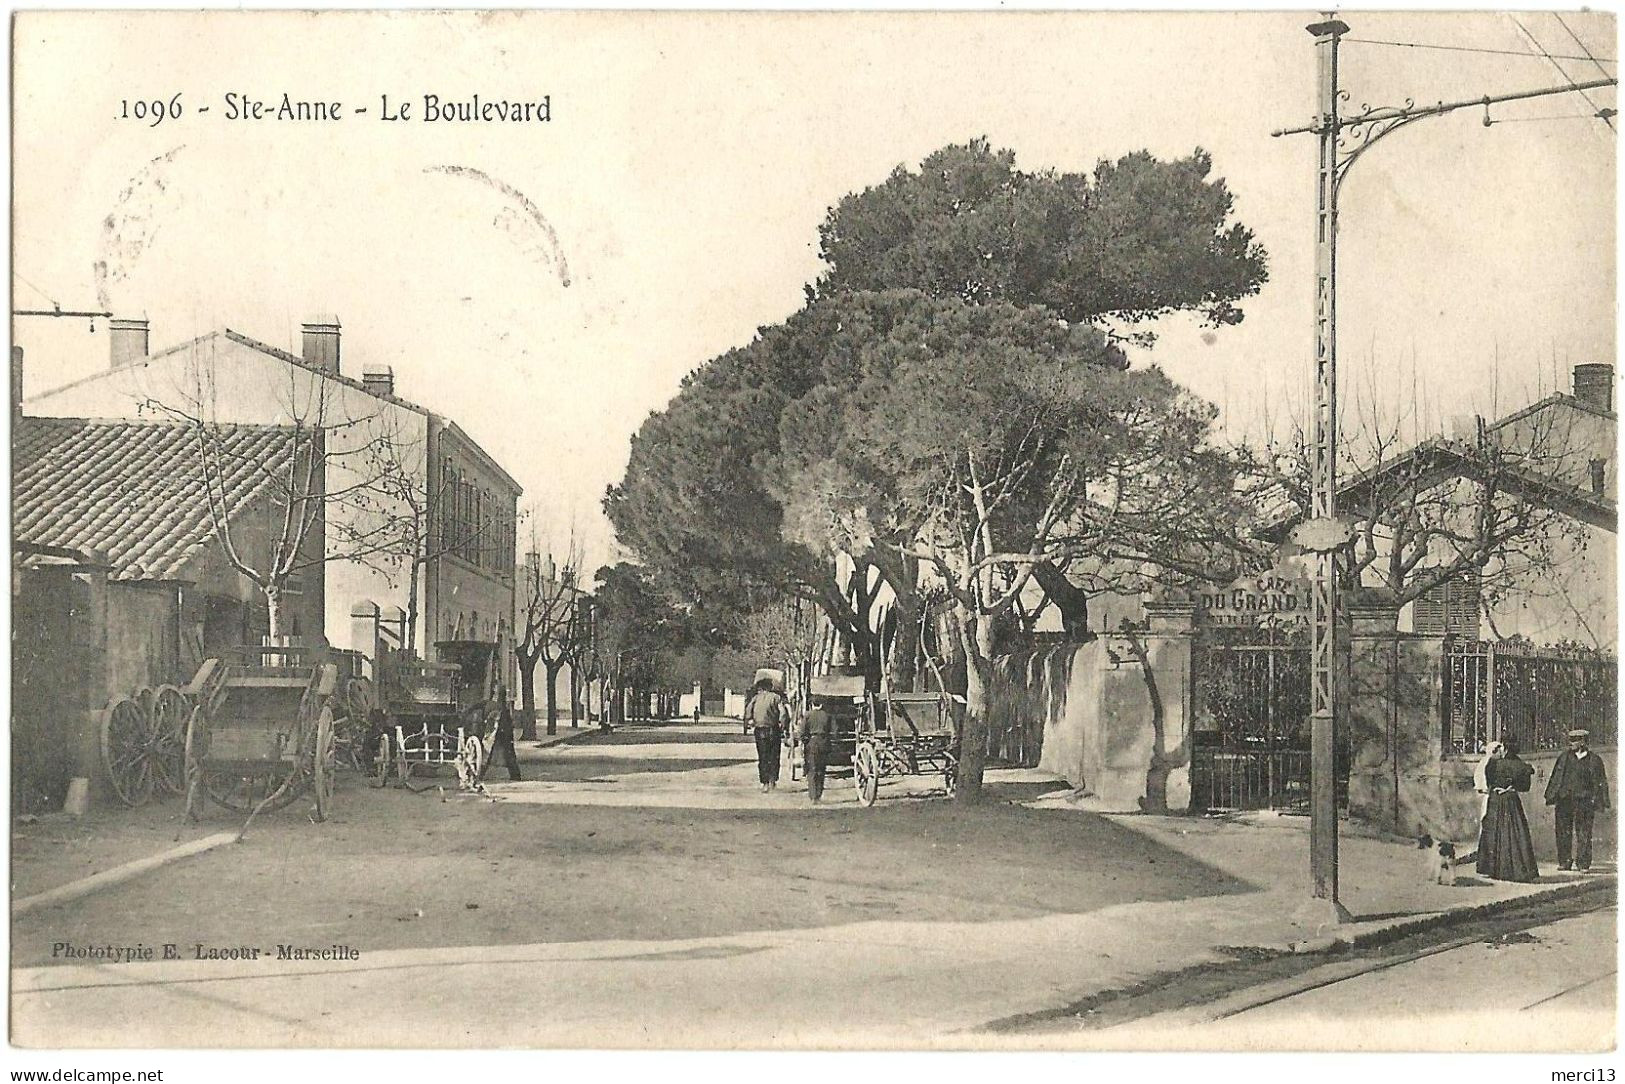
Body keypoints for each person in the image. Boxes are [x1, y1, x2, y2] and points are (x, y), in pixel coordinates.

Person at [1545, 728, 1610, 872]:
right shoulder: (1564, 757)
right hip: (1564, 800)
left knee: (1584, 832)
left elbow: (1600, 781)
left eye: (1574, 741)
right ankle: (1564, 862)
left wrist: (1598, 800)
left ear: (1583, 742)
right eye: (1570, 740)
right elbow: (1555, 777)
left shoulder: (1594, 760)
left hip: (1584, 801)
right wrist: (1552, 795)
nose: (1571, 743)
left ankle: (1583, 863)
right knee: (1563, 831)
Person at [1477, 738, 1538, 882]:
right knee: (1514, 833)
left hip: (1496, 799)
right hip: (1511, 800)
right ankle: (1517, 870)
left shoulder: (1494, 763)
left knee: (1493, 832)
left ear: (1505, 748)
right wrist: (1511, 787)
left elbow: (1488, 780)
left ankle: (1491, 869)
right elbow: (1524, 786)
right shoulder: (1521, 765)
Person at [746, 678, 786, 792]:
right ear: (770, 687)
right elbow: (782, 713)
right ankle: (773, 780)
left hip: (760, 730)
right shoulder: (776, 698)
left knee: (763, 756)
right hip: (773, 730)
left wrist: (750, 721)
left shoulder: (755, 698)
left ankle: (765, 783)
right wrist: (782, 726)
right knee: (774, 756)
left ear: (760, 688)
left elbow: (748, 711)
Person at [799, 696, 834, 803]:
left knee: (812, 770)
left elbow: (802, 731)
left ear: (812, 705)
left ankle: (813, 796)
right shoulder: (827, 715)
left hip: (812, 743)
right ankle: (819, 794)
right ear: (822, 705)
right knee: (821, 770)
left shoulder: (808, 715)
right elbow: (834, 730)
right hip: (824, 742)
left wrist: (805, 741)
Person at [1474, 740, 1505, 820]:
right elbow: (1479, 777)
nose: (1500, 754)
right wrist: (1485, 788)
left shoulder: (1498, 762)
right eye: (1498, 752)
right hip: (1487, 795)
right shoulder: (1486, 762)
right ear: (1493, 751)